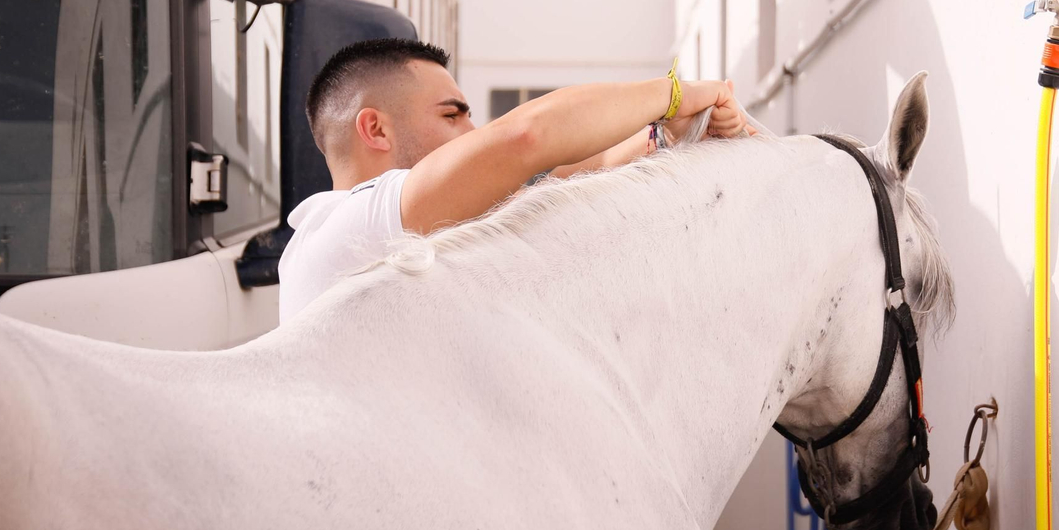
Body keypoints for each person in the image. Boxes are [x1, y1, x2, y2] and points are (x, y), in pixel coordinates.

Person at [277, 37, 750, 320]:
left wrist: (664, 134)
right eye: (453, 115)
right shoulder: (345, 228)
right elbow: (527, 139)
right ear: (375, 128)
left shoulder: (397, 230)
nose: (472, 133)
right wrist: (679, 94)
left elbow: (556, 178)